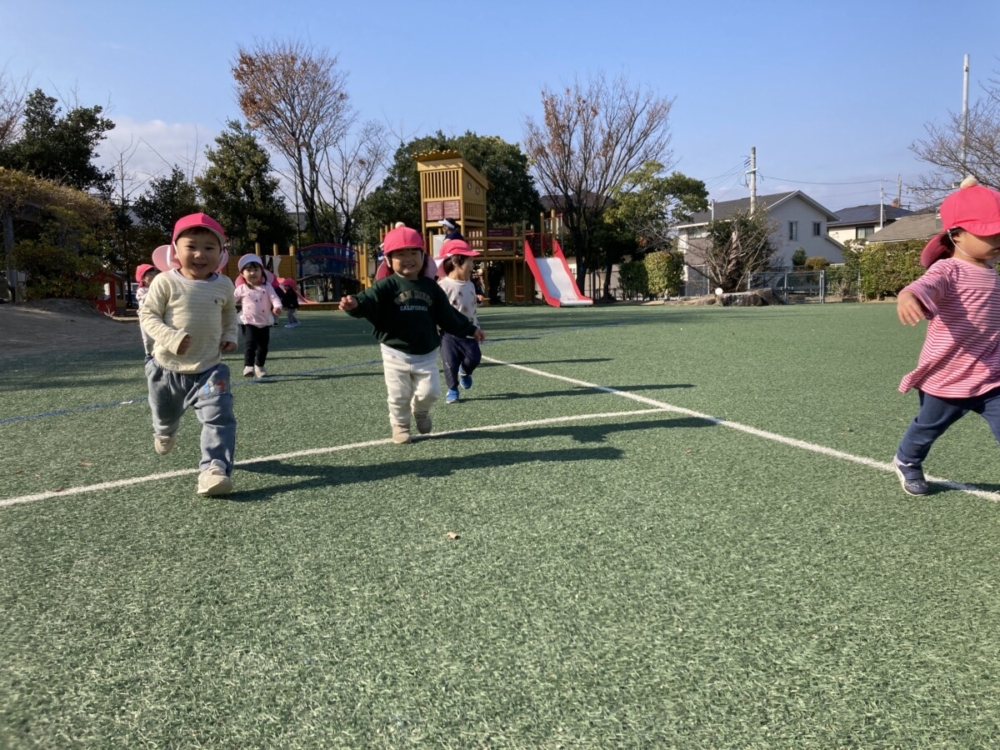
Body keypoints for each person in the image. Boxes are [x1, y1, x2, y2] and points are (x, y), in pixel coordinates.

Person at [893, 176, 1000, 496]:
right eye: (989, 232)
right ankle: (907, 460)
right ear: (956, 235)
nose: (997, 238)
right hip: (948, 377)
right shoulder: (947, 270)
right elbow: (923, 285)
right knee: (928, 427)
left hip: (991, 376)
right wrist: (908, 296)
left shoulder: (992, 274)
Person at [339, 225, 485, 444]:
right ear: (388, 260)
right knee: (399, 394)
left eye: (413, 253)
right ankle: (400, 425)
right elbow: (367, 301)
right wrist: (354, 304)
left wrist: (470, 329)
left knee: (431, 392)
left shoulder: (431, 287)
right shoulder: (387, 285)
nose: (408, 258)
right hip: (394, 352)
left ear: (423, 257)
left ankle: (421, 411)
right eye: (400, 254)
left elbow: (448, 314)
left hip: (426, 352)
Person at [138, 213, 239, 497]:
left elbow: (229, 313)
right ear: (175, 250)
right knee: (165, 415)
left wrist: (230, 335)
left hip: (209, 369)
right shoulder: (164, 282)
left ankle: (214, 469)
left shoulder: (224, 284)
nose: (199, 254)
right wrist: (171, 338)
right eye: (191, 246)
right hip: (166, 369)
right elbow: (148, 315)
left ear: (221, 253)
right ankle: (164, 430)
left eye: (209, 247)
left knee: (219, 416)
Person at [437, 239, 483, 404]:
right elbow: (439, 310)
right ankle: (452, 390)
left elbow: (470, 307)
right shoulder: (443, 286)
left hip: (470, 331)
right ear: (456, 261)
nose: (472, 264)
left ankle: (465, 371)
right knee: (450, 363)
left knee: (475, 358)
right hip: (448, 334)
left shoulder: (470, 284)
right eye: (470, 260)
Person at [234, 254, 282, 378]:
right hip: (248, 321)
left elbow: (274, 298)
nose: (252, 273)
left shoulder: (267, 287)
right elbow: (231, 300)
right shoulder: (241, 288)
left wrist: (277, 307)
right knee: (250, 344)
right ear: (242, 274)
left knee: (263, 347)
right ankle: (248, 366)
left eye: (256, 270)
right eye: (248, 270)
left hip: (264, 322)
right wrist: (224, 308)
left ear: (262, 272)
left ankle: (259, 366)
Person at [134, 263, 158, 361]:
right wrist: (153, 291)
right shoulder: (141, 290)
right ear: (143, 278)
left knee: (158, 335)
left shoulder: (158, 287)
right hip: (145, 316)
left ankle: (158, 354)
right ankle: (149, 355)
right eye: (150, 274)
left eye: (154, 273)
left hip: (157, 314)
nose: (153, 275)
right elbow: (144, 298)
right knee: (147, 338)